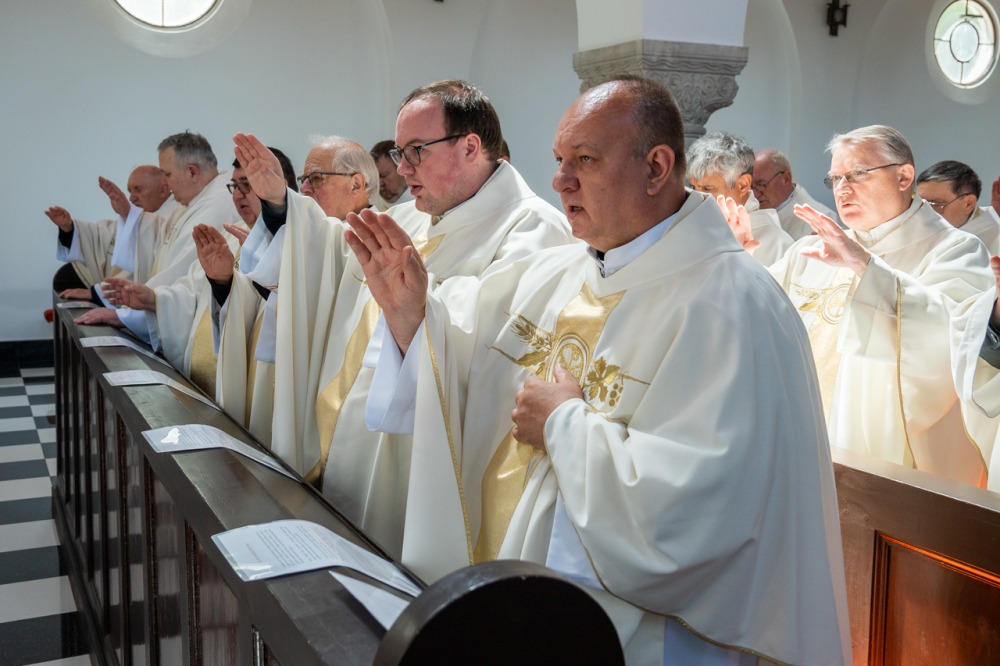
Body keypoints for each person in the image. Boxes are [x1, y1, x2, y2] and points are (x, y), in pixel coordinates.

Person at [349, 76, 849, 665]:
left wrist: (563, 423)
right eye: (559, 160)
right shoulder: (554, 272)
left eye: (584, 160)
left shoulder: (736, 306)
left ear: (657, 167)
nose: (560, 180)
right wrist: (411, 315)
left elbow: (706, 512)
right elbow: (453, 348)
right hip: (515, 611)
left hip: (640, 639)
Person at [234, 79, 574, 557]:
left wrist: (419, 311)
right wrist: (279, 206)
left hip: (421, 461)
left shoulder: (533, 230)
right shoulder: (412, 216)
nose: (402, 168)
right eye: (400, 153)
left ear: (470, 147)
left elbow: (502, 356)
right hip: (356, 443)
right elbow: (333, 260)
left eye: (416, 151)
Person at [729, 125, 993, 486]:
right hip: (800, 446)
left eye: (857, 174)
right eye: (835, 178)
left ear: (904, 177)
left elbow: (958, 340)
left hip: (883, 461)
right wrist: (735, 259)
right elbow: (759, 322)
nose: (842, 188)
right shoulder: (811, 249)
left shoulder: (955, 250)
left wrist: (867, 270)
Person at [73, 132, 242, 338]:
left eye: (168, 175)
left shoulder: (215, 208)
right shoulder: (196, 202)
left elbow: (182, 278)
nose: (167, 186)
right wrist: (129, 215)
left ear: (192, 172)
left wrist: (125, 316)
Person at [49, 165, 175, 295]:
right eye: (130, 191)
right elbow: (101, 235)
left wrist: (95, 294)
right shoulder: (138, 219)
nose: (132, 198)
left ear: (163, 190)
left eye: (138, 190)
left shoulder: (173, 219)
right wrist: (69, 227)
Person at [687, 132, 793, 265]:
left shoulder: (774, 243)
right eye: (693, 187)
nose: (696, 197)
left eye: (707, 188)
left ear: (743, 185)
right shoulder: (693, 224)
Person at [916, 160, 1000, 254]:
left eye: (935, 205)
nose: (923, 213)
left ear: (968, 204)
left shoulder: (995, 234)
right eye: (919, 203)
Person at [753, 148, 837, 239]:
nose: (755, 194)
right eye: (751, 187)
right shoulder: (749, 212)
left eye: (761, 185)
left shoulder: (822, 219)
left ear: (786, 178)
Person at [370, 139, 411, 210]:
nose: (379, 184)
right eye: (375, 178)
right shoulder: (375, 210)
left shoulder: (423, 207)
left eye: (384, 175)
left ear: (401, 169)